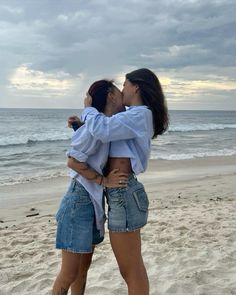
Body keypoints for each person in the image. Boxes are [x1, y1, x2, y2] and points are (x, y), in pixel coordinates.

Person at [78, 68, 169, 295]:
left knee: (131, 269)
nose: (121, 90)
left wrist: (88, 109)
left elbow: (103, 129)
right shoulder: (133, 115)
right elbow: (102, 131)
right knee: (131, 268)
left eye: (125, 85)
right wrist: (79, 126)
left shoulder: (140, 114)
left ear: (136, 87)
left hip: (124, 192)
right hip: (121, 193)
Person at [52, 80, 128, 295]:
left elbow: (91, 146)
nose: (123, 94)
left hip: (92, 202)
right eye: (119, 91)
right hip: (79, 202)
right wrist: (104, 181)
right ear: (111, 96)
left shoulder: (101, 126)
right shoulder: (97, 128)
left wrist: (79, 125)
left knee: (82, 269)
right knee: (68, 274)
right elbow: (73, 161)